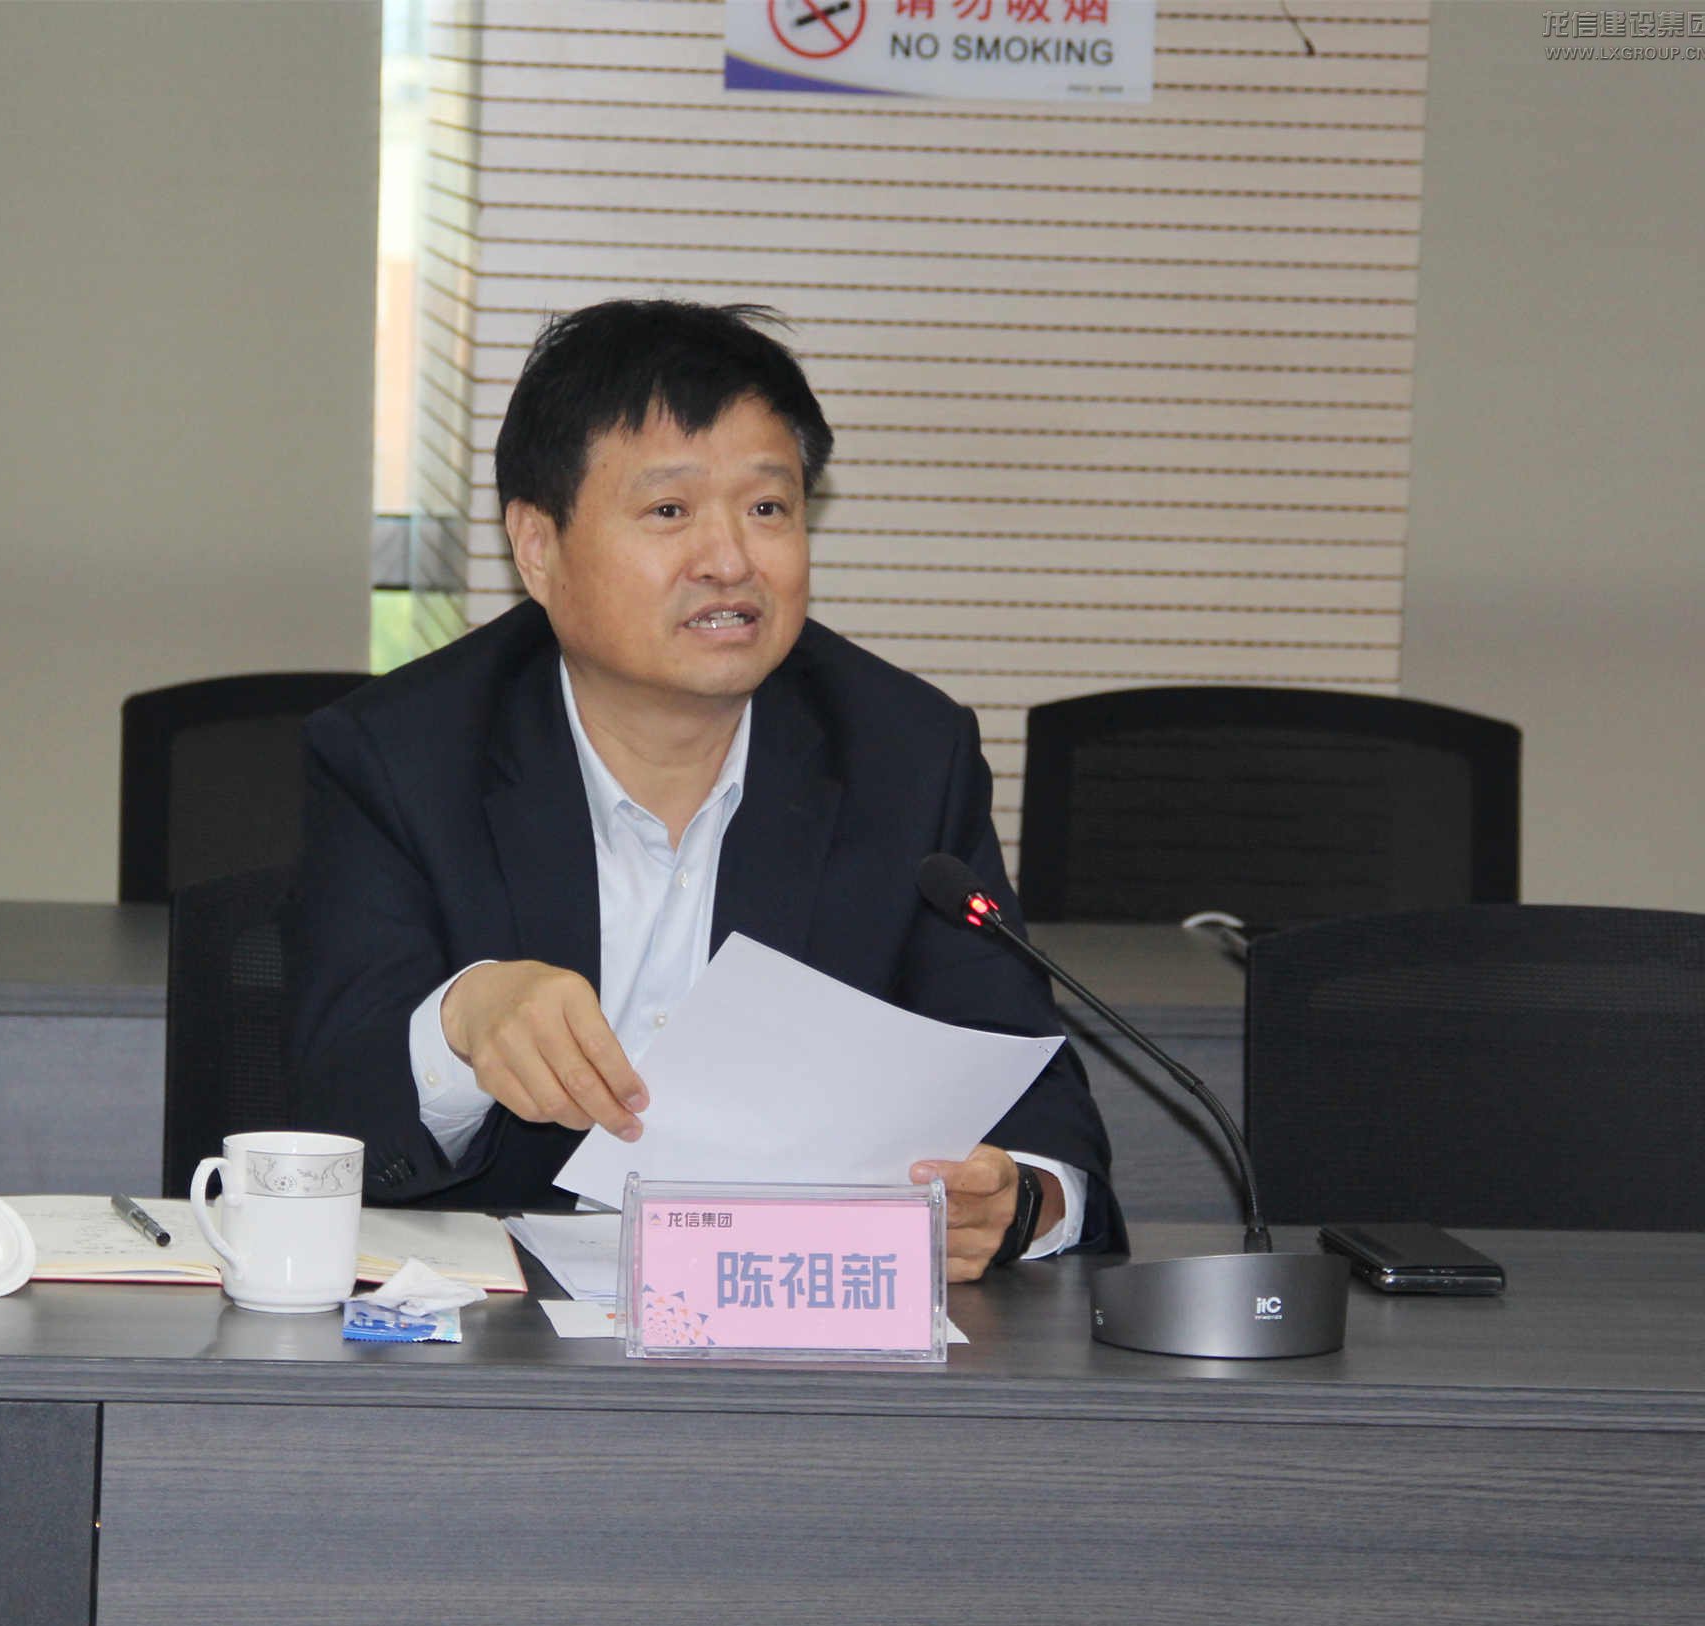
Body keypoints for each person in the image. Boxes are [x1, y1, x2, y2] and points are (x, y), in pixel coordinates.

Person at [291, 299, 1122, 1277]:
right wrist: (461, 1024)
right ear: (538, 546)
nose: (730, 561)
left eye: (767, 509)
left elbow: (1030, 1097)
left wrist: (1020, 1202)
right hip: (495, 1329)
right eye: (669, 512)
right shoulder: (400, 755)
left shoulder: (902, 753)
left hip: (787, 1316)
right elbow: (325, 1110)